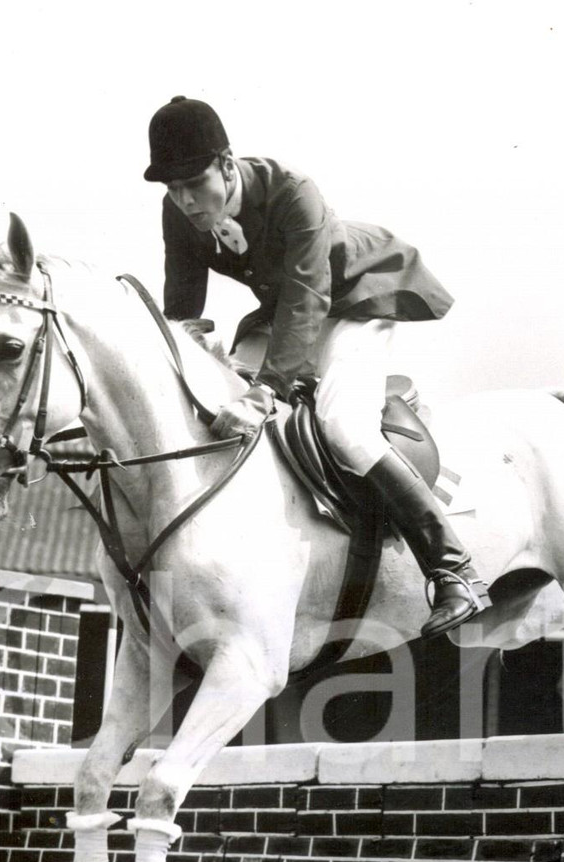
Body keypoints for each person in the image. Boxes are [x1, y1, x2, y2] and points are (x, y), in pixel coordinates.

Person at [144, 95, 488, 637]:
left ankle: (453, 569)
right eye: (173, 188)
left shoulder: (294, 193)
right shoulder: (178, 212)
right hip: (287, 311)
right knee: (216, 399)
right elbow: (184, 308)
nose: (185, 200)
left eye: (195, 183)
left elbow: (308, 298)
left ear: (228, 165)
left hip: (355, 298)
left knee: (343, 424)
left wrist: (264, 393)